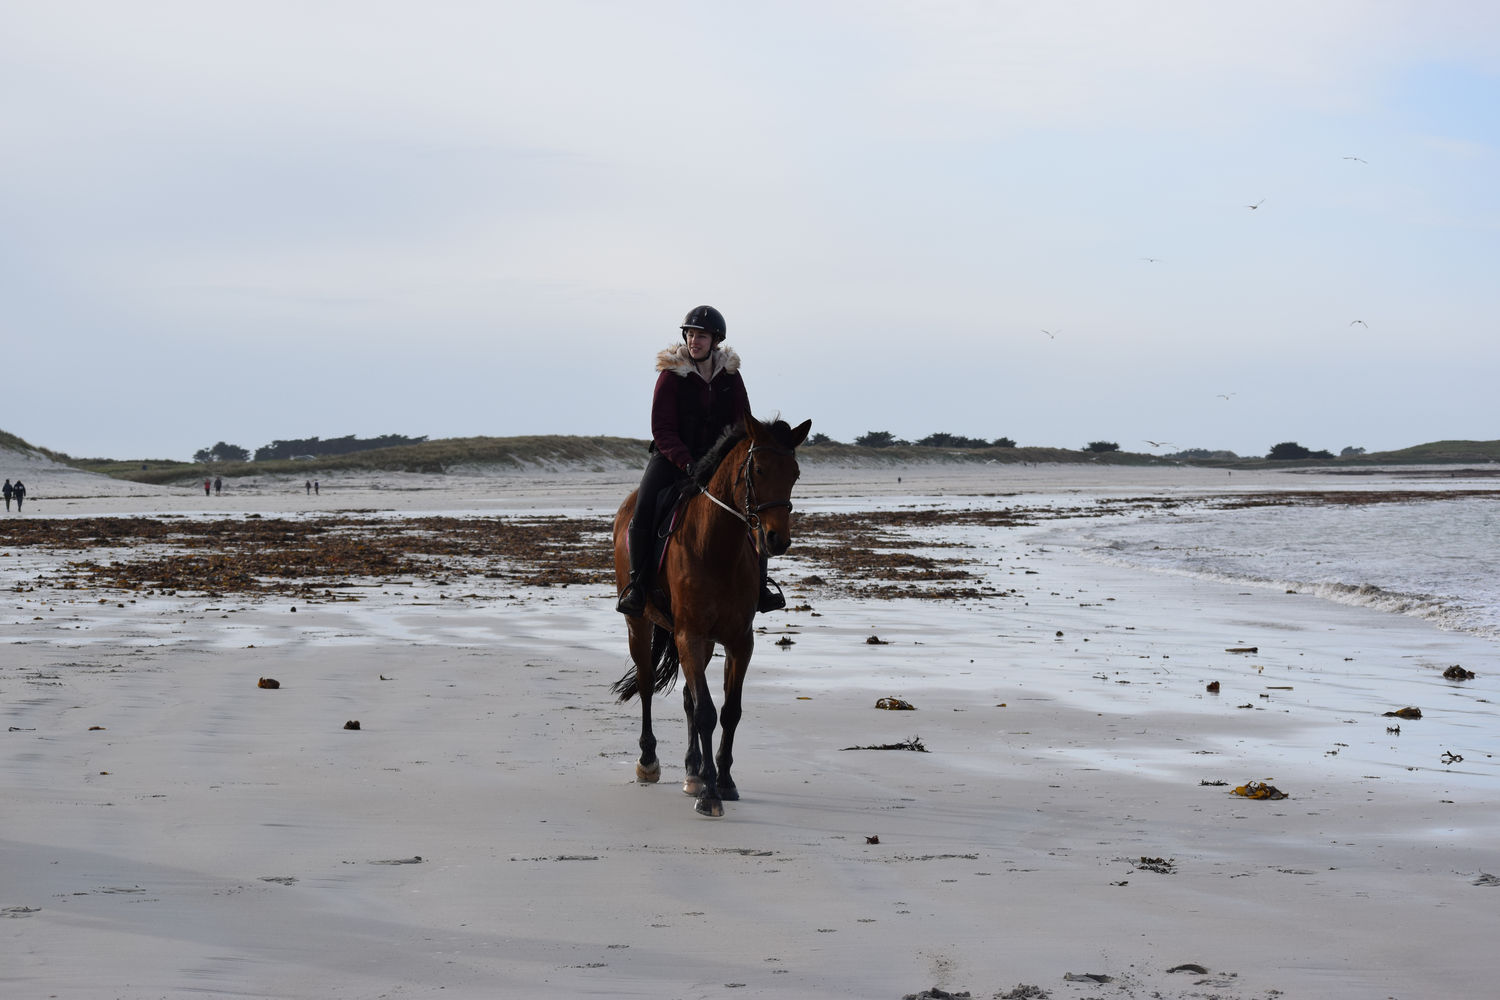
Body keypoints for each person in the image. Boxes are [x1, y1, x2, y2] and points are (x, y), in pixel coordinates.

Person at [615, 305, 784, 616]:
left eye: (701, 336)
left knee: (753, 510)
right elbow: (662, 429)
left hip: (718, 461)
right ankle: (637, 588)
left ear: (715, 340)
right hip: (671, 457)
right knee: (642, 511)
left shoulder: (731, 377)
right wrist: (686, 461)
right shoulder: (670, 375)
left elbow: (741, 424)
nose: (694, 340)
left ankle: (760, 587)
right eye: (690, 334)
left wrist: (727, 458)